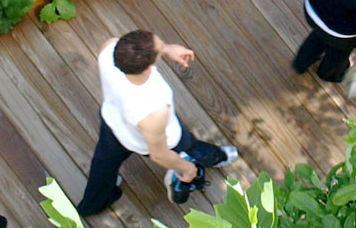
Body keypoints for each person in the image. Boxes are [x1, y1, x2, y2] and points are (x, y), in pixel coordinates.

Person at [76, 29, 240, 216]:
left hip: (114, 125)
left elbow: (145, 48)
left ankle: (90, 206)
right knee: (190, 146)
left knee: (103, 165)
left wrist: (168, 49)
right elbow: (159, 154)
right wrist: (187, 169)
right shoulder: (155, 106)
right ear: (148, 67)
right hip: (153, 139)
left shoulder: (109, 48)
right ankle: (217, 156)